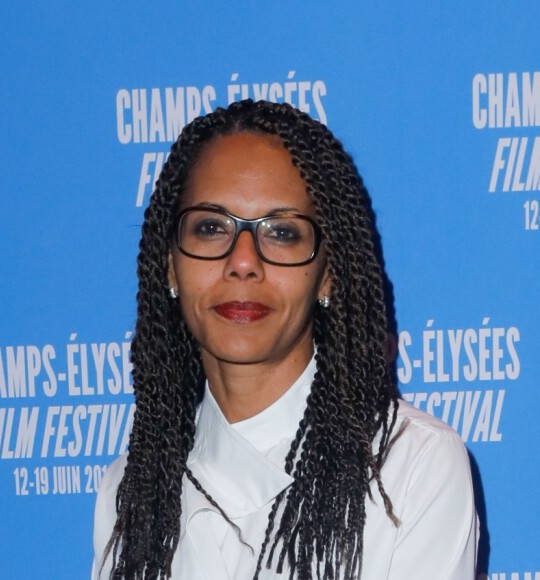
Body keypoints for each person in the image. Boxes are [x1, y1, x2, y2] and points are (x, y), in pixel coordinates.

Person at [92, 99, 478, 580]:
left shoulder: (411, 468)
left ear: (328, 275)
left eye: (281, 232)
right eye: (211, 227)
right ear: (170, 264)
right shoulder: (131, 489)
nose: (243, 261)